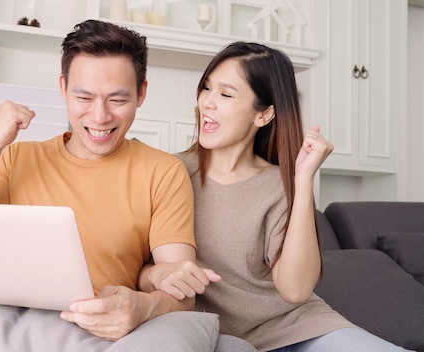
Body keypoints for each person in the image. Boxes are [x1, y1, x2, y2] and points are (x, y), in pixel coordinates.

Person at [0, 19, 220, 342]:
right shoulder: (14, 157)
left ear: (141, 93)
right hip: (2, 321)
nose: (99, 116)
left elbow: (183, 291)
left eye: (117, 100)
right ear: (63, 88)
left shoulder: (163, 172)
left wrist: (145, 306)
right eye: (84, 98)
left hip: (96, 331)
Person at [140, 41, 413, 351]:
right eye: (206, 88)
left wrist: (303, 179)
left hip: (299, 330)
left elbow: (295, 290)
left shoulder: (279, 185)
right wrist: (154, 275)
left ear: (264, 114)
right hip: (213, 337)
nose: (207, 103)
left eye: (226, 94)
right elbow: (137, 267)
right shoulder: (168, 172)